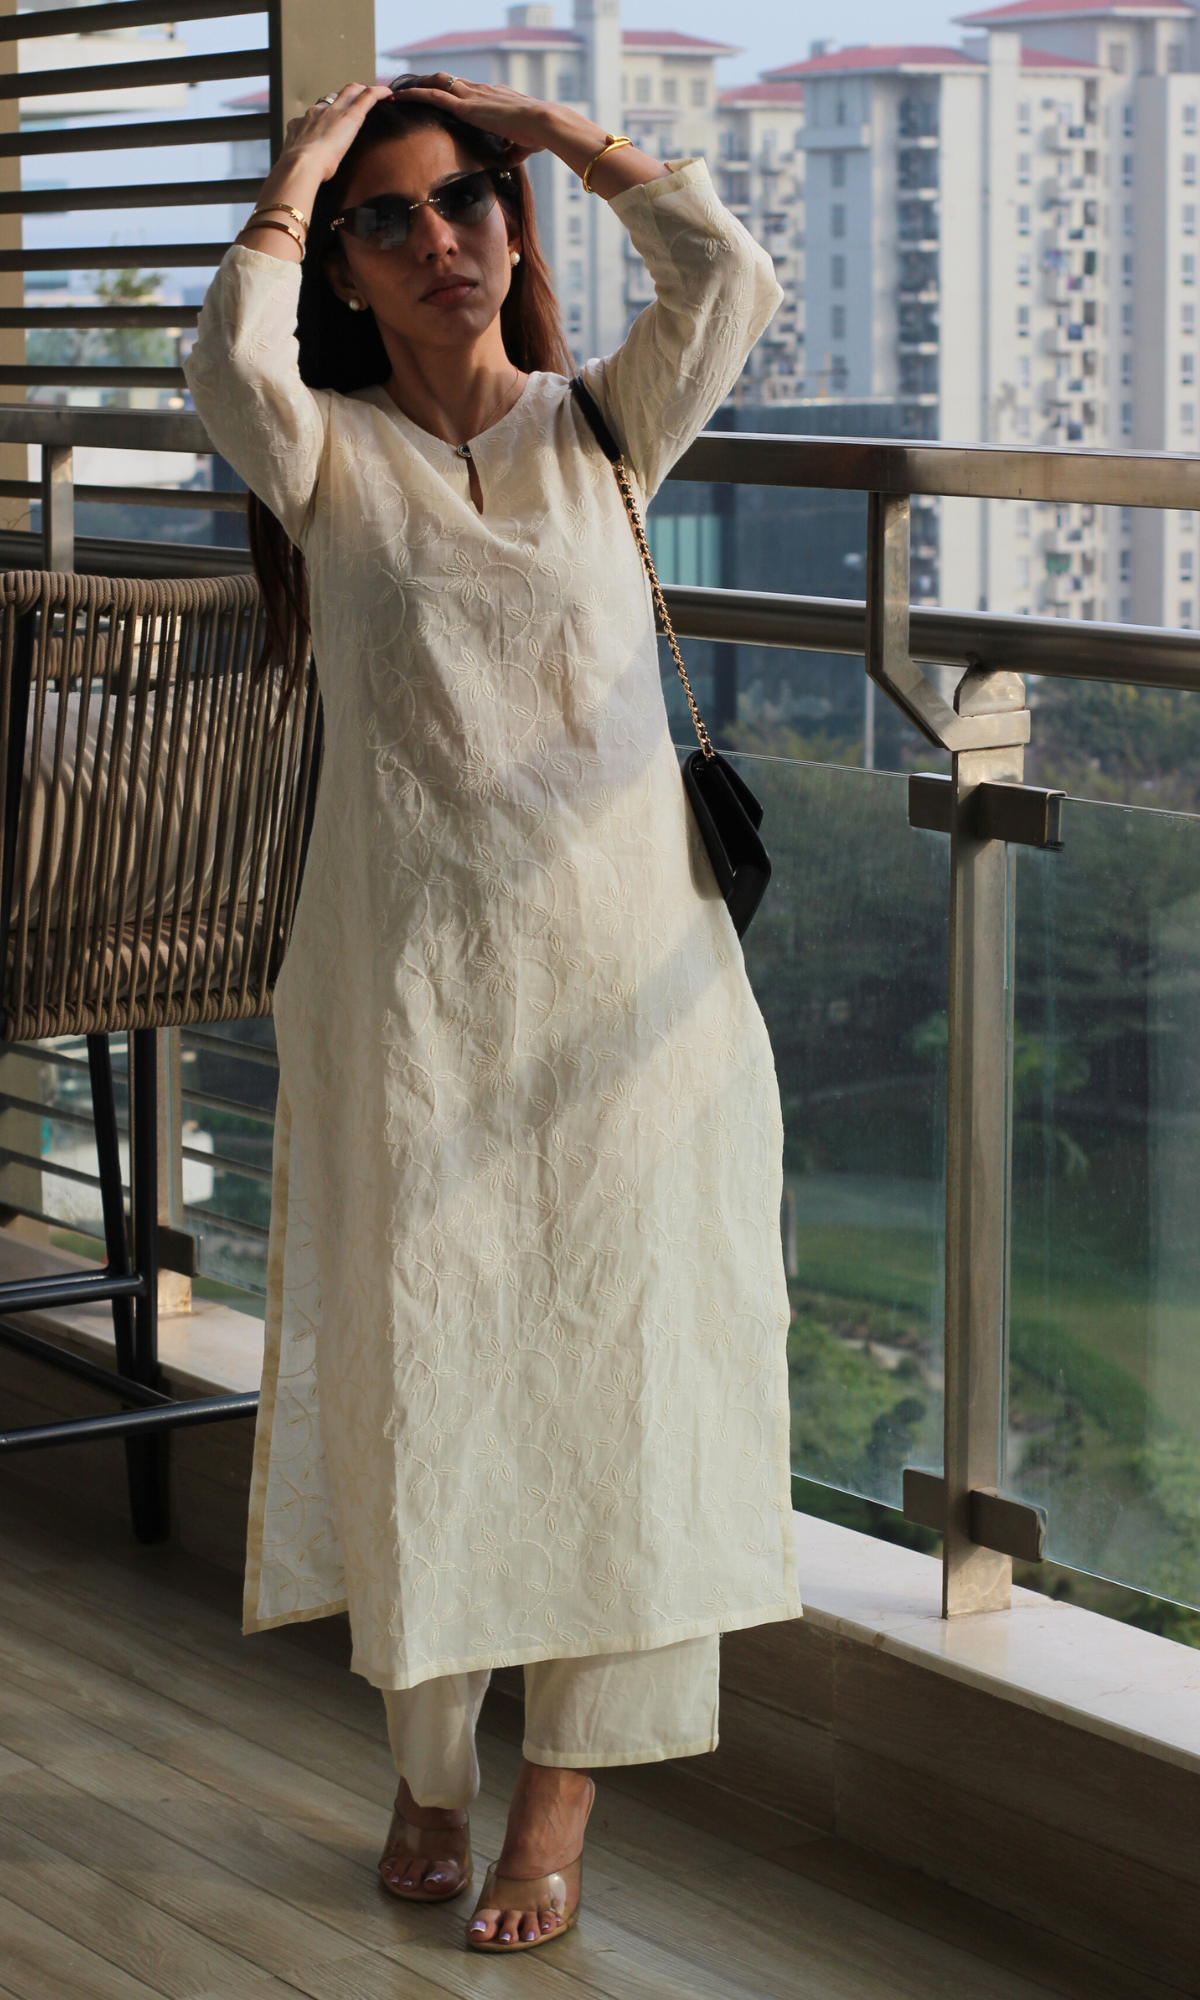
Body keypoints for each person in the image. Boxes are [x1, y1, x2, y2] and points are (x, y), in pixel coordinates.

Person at [185, 72, 800, 1955]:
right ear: (344, 269)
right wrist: (309, 160)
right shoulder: (327, 458)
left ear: (511, 223)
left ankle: (560, 1796)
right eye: (388, 220)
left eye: (465, 202)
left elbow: (727, 276)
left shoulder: (603, 426)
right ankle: (428, 1759)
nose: (439, 239)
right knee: (428, 1367)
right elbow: (228, 362)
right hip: (409, 1006)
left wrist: (547, 131)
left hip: (631, 1000)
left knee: (624, 1375)